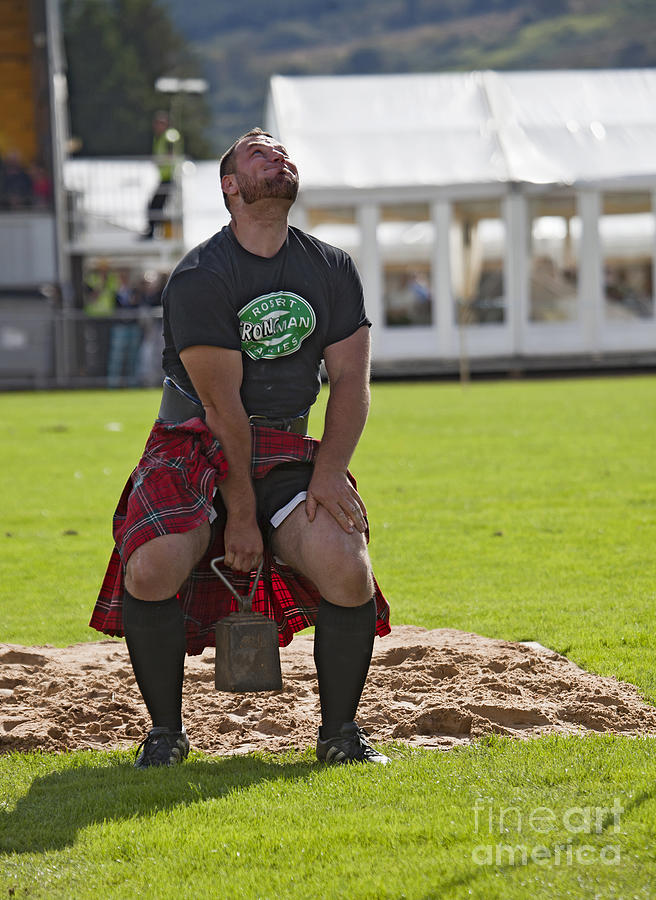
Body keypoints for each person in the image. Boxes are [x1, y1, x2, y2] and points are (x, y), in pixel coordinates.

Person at [90, 127, 391, 769]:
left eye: (281, 149)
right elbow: (222, 410)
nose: (277, 155)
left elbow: (350, 384)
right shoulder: (202, 274)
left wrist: (330, 473)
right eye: (258, 152)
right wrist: (245, 518)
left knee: (347, 567)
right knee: (152, 565)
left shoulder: (331, 267)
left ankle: (340, 736)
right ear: (230, 186)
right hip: (196, 441)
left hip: (284, 447)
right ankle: (166, 735)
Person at [142, 111, 183, 239]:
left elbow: (170, 152)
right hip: (164, 178)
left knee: (156, 206)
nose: (157, 126)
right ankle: (155, 232)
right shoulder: (160, 137)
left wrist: (165, 158)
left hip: (169, 178)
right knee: (156, 205)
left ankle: (152, 233)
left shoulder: (169, 136)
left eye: (160, 123)